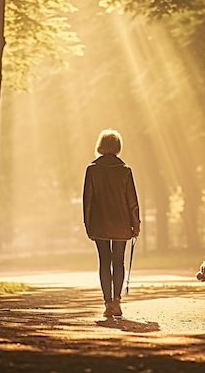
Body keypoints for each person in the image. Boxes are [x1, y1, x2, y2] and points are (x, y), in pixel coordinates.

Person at [83, 129, 141, 317]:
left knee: (104, 262)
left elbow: (88, 201)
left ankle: (107, 303)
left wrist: (88, 225)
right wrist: (136, 224)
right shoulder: (125, 170)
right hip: (122, 225)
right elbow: (132, 201)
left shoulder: (92, 169)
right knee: (118, 261)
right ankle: (117, 300)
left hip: (99, 224)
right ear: (117, 146)